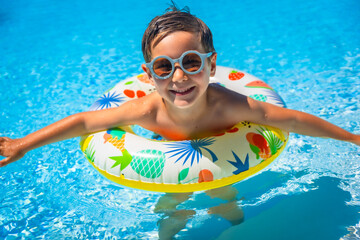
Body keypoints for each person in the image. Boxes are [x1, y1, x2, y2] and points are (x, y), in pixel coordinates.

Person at [1, 4, 359, 240]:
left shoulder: (229, 105)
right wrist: (22, 144)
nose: (178, 77)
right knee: (170, 208)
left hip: (223, 163)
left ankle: (232, 221)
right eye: (163, 66)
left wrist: (353, 139)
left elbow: (291, 119)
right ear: (148, 75)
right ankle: (170, 231)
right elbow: (83, 123)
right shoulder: (147, 110)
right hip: (169, 167)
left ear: (211, 66)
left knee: (227, 198)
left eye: (190, 62)